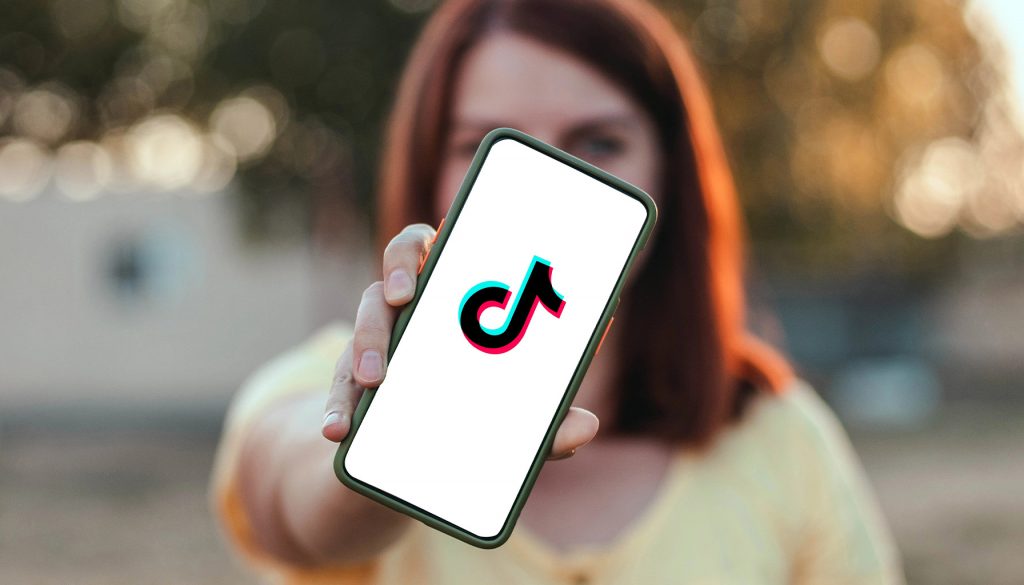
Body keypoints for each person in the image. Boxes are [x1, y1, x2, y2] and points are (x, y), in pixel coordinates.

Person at [209, 0, 905, 583]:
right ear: (429, 175)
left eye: (599, 142)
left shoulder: (782, 437)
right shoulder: (329, 377)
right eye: (486, 144)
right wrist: (392, 432)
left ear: (671, 177)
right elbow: (288, 493)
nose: (551, 182)